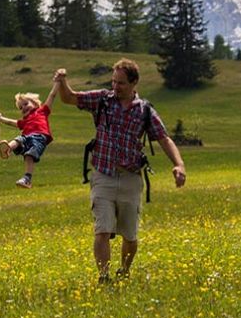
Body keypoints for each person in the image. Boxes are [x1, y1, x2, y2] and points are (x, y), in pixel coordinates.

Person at [52, 58, 187, 285]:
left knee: (129, 235)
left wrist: (179, 164)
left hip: (130, 178)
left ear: (134, 83)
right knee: (102, 230)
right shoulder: (103, 100)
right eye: (114, 81)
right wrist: (63, 81)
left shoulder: (145, 111)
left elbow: (163, 138)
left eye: (121, 83)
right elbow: (70, 98)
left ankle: (124, 270)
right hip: (103, 175)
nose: (115, 86)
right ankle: (103, 277)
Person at [0, 89, 54, 189]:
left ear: (35, 103)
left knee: (29, 155)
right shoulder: (25, 121)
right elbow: (11, 122)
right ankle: (7, 149)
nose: (23, 108)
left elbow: (52, 95)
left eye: (25, 104)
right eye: (20, 108)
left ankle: (26, 180)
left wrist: (58, 82)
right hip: (27, 137)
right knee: (18, 139)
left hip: (39, 138)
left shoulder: (42, 111)